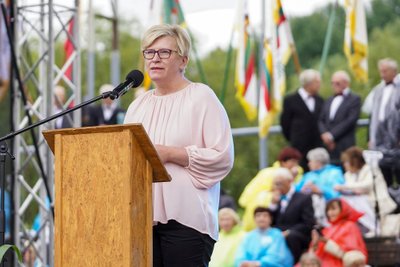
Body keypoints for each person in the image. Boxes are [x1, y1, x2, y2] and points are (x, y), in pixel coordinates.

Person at [123, 24, 234, 267]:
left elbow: (222, 156)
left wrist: (170, 153)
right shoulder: (137, 106)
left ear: (183, 60)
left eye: (164, 53)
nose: (155, 59)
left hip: (188, 220)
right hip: (142, 219)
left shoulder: (201, 97)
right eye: (149, 53)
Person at [336, 146, 399, 236]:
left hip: (377, 201)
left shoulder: (370, 169)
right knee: (344, 199)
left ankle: (374, 228)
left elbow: (368, 185)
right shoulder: (348, 174)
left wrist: (345, 187)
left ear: (354, 161)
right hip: (363, 201)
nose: (344, 165)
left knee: (359, 201)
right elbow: (355, 189)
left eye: (346, 161)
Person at [239, 147, 303, 231]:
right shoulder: (267, 174)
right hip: (262, 214)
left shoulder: (298, 176)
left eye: (297, 162)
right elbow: (246, 197)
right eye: (293, 162)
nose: (295, 165)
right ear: (283, 162)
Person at [363, 58, 400, 187]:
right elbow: (372, 115)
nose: (382, 74)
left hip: (396, 139)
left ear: (394, 71)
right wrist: (370, 137)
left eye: (385, 71)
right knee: (383, 177)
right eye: (381, 71)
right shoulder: (378, 89)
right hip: (379, 140)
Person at [280, 69, 324, 171]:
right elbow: (285, 123)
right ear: (308, 83)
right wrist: (294, 138)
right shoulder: (290, 100)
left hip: (316, 146)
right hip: (299, 146)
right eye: (317, 82)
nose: (319, 85)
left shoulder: (320, 100)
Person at [270, 168, 315, 263]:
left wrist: (289, 231)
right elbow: (271, 222)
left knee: (291, 236)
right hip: (278, 233)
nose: (276, 187)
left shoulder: (303, 198)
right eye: (275, 184)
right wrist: (273, 204)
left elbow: (308, 223)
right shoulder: (276, 199)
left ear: (289, 181)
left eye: (279, 184)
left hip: (297, 235)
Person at [318, 71, 361, 166]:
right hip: (328, 146)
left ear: (346, 83)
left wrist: (331, 136)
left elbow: (350, 120)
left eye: (337, 83)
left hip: (345, 143)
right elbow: (321, 119)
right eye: (332, 83)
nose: (334, 85)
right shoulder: (329, 100)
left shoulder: (354, 99)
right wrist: (325, 134)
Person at [310, 198, 368, 267]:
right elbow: (313, 255)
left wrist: (326, 241)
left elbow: (351, 256)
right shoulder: (327, 229)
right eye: (328, 210)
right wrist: (315, 244)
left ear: (343, 209)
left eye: (333, 209)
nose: (329, 213)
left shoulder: (349, 226)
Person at [296, 148, 344, 225]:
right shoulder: (308, 175)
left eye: (310, 161)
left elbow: (337, 195)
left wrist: (320, 191)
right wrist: (302, 190)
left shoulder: (334, 173)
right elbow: (295, 192)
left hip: (327, 208)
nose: (308, 164)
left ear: (317, 162)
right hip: (307, 209)